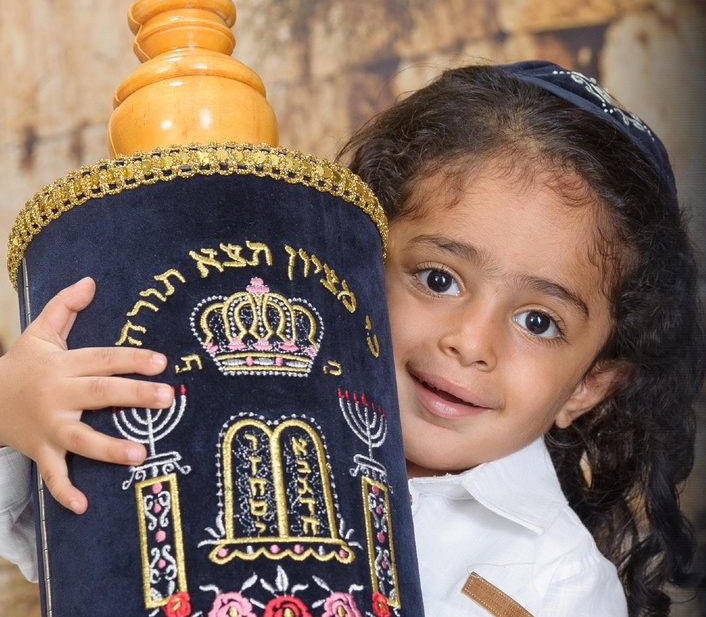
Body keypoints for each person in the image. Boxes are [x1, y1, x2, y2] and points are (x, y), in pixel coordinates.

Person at [0, 61, 703, 617]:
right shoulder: (204, 429)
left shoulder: (560, 582)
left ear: (588, 385)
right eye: (437, 279)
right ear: (355, 267)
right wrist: (17, 411)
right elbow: (71, 541)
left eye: (538, 321)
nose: (471, 341)